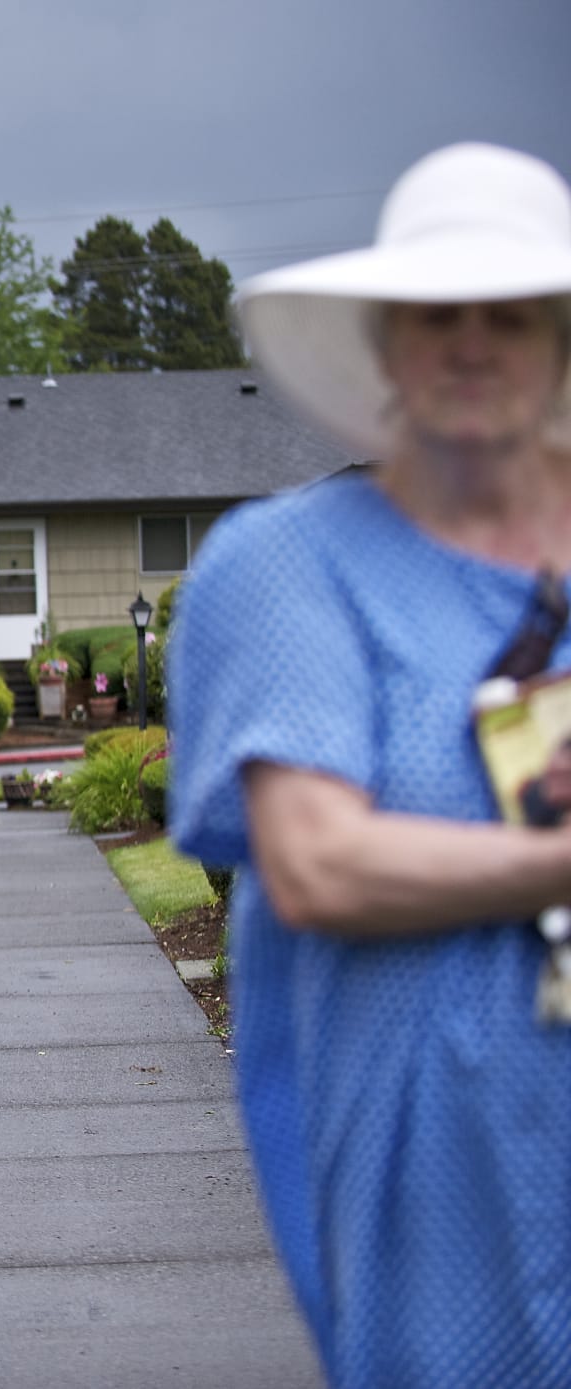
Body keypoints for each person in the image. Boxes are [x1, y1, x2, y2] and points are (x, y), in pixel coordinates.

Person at [168, 142, 571, 1389]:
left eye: (508, 314)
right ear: (384, 348)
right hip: (447, 1154)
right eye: (433, 314)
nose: (470, 344)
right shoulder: (290, 565)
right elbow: (319, 865)